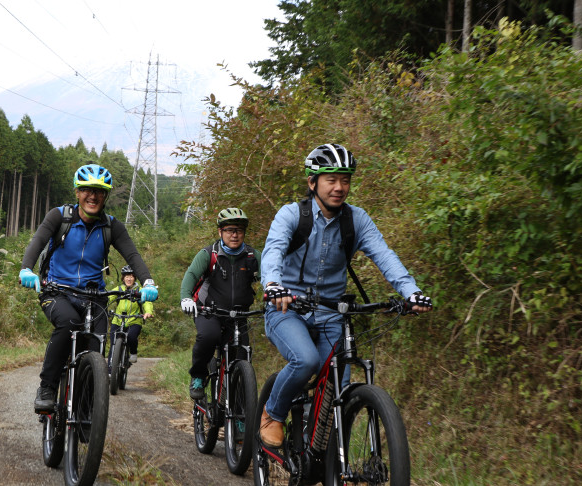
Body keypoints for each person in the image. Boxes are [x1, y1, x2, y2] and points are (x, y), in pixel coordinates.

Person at [258, 143, 433, 447]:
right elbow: (273, 251)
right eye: (331, 179)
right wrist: (273, 285)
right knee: (306, 360)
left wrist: (411, 292)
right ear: (313, 182)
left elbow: (384, 255)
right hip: (287, 309)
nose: (339, 188)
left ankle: (328, 459)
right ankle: (272, 413)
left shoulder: (357, 220)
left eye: (346, 180)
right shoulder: (291, 215)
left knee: (338, 386)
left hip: (332, 314)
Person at [19, 163, 158, 413]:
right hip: (57, 292)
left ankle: (85, 411)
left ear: (105, 196)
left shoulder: (111, 226)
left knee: (96, 349)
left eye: (99, 191)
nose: (92, 196)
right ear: (77, 192)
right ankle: (47, 387)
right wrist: (26, 269)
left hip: (95, 298)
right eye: (87, 190)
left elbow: (133, 256)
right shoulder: (59, 217)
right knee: (69, 322)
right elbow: (37, 241)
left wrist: (147, 281)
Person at [179, 208, 261, 399]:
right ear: (220, 232)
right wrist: (185, 297)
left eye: (239, 230)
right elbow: (191, 276)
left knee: (243, 357)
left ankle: (241, 412)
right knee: (208, 336)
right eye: (230, 230)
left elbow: (269, 278)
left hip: (239, 316)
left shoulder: (252, 257)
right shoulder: (209, 254)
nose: (235, 234)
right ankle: (198, 376)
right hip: (210, 312)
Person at [107, 265, 154, 365]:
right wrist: (101, 306)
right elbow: (108, 298)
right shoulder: (119, 289)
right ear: (123, 278)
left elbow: (146, 302)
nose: (129, 278)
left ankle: (133, 352)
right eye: (127, 276)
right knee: (113, 345)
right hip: (118, 320)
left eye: (131, 276)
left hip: (134, 320)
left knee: (132, 337)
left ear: (135, 278)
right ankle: (110, 371)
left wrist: (148, 311)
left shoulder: (140, 290)